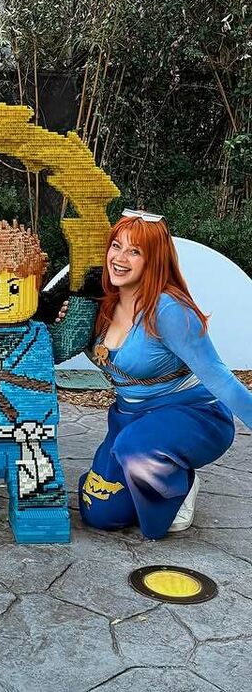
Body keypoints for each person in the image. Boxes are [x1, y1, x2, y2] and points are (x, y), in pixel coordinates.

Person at [79, 210, 252, 539]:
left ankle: (179, 482)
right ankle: (150, 476)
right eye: (116, 246)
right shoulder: (100, 302)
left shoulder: (169, 310)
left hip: (191, 414)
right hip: (130, 418)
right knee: (100, 512)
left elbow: (220, 377)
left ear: (154, 259)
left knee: (135, 452)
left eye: (134, 251)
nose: (120, 259)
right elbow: (59, 343)